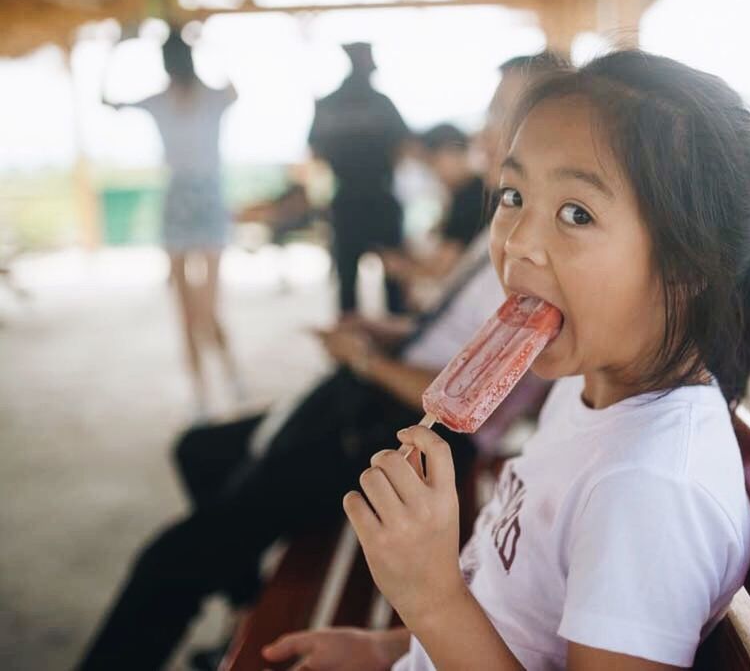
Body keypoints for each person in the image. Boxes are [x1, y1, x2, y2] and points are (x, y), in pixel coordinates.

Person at [262, 49, 750, 670]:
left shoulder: (649, 491)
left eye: (576, 213)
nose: (516, 241)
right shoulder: (585, 389)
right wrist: (385, 648)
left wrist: (431, 600)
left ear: (688, 265)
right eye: (512, 195)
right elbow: (514, 610)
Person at [75, 51, 566, 671]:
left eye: (504, 115)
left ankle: (227, 583)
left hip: (409, 436)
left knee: (170, 558)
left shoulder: (536, 256)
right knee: (202, 450)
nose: (485, 134)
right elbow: (449, 335)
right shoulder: (499, 225)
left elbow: (468, 404)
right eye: (491, 115)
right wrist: (381, 330)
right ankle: (243, 597)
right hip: (369, 399)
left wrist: (361, 359)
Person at [104, 29, 242, 419]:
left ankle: (217, 381)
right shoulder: (193, 98)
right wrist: (209, 42)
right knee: (197, 306)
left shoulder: (188, 99)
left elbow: (107, 101)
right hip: (194, 197)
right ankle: (211, 385)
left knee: (199, 306)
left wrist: (116, 49)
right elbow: (236, 89)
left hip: (193, 197)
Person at [309, 42, 410, 314]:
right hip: (380, 197)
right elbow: (404, 147)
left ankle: (348, 351)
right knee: (394, 280)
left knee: (346, 284)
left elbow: (315, 153)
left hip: (346, 200)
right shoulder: (382, 103)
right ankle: (394, 346)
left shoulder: (329, 104)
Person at [381, 123, 487, 309]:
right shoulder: (466, 195)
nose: (433, 174)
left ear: (449, 153)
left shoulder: (472, 198)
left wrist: (401, 268)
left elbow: (443, 267)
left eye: (432, 163)